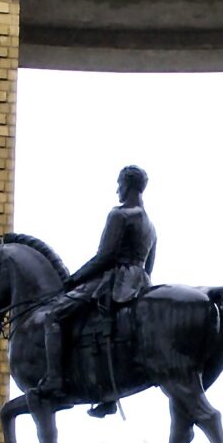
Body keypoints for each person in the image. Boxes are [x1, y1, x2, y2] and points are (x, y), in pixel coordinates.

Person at [42, 165, 155, 415]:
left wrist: (73, 279)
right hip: (139, 281)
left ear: (127, 184)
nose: (117, 189)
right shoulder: (150, 225)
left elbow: (105, 257)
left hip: (114, 279)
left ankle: (54, 379)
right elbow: (150, 266)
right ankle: (108, 393)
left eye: (119, 184)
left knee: (53, 315)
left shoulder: (120, 215)